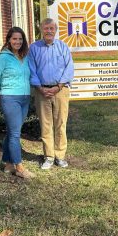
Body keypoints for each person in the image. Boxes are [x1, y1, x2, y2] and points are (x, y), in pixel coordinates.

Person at [28, 18, 74, 170]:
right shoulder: (34, 48)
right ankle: (49, 156)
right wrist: (40, 88)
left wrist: (58, 86)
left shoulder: (62, 47)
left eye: (51, 28)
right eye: (46, 28)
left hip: (60, 90)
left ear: (56, 30)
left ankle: (60, 156)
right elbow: (31, 69)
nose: (49, 31)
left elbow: (69, 68)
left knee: (61, 123)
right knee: (46, 124)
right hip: (41, 91)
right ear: (41, 29)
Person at [0, 27, 34, 179]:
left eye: (20, 39)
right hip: (10, 98)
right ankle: (19, 166)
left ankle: (8, 163)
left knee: (12, 131)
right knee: (15, 134)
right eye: (14, 39)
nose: (17, 42)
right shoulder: (3, 58)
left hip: (24, 98)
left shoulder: (25, 57)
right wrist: (3, 92)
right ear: (9, 40)